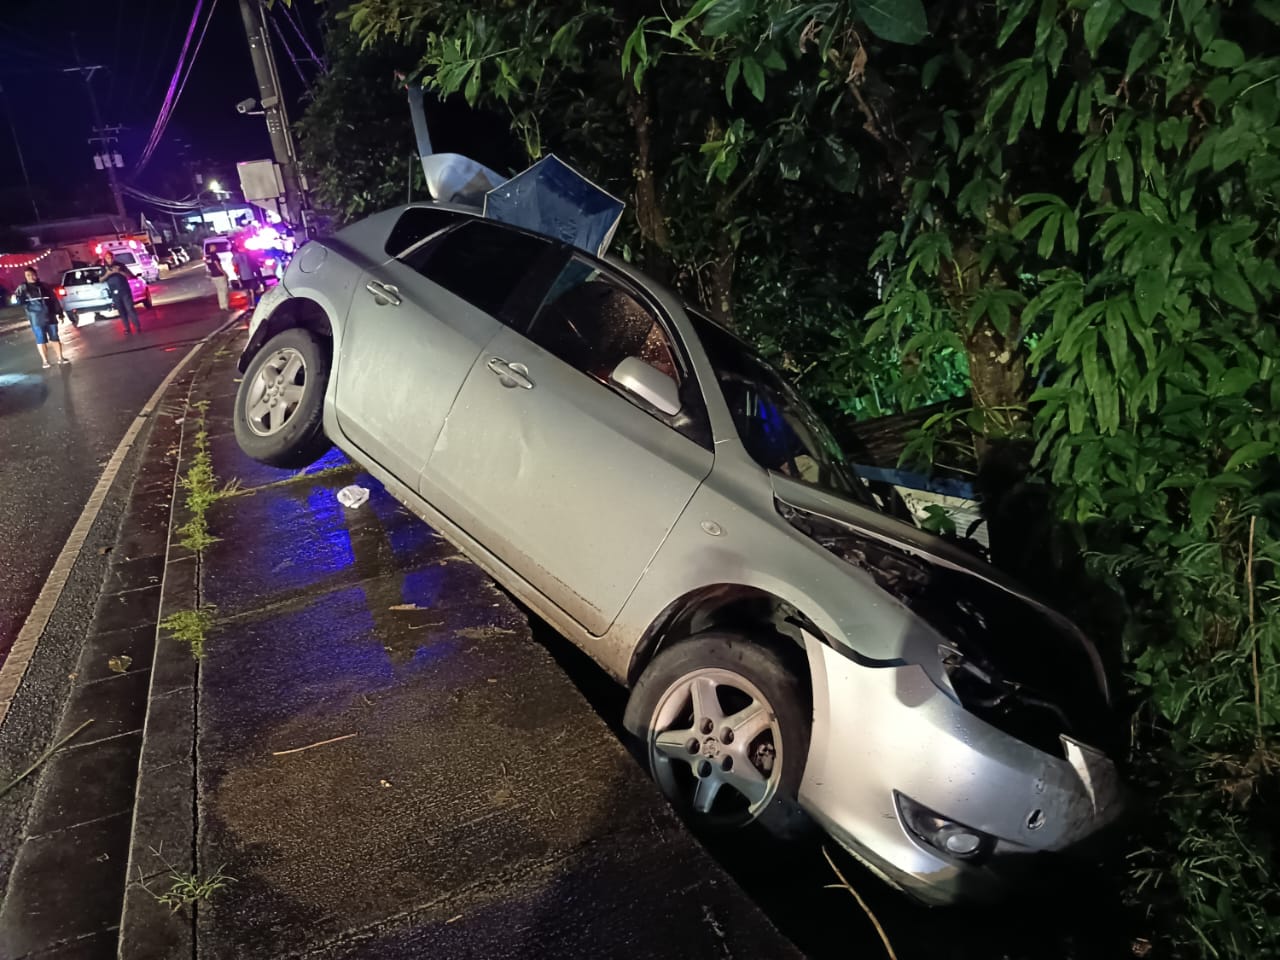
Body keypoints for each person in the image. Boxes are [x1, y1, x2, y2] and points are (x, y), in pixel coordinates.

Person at [12, 267, 69, 368]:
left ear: (36, 274)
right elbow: (18, 301)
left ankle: (60, 358)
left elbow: (54, 300)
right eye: (28, 276)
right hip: (36, 318)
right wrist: (15, 298)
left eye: (32, 274)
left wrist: (59, 313)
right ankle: (45, 361)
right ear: (25, 277)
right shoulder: (23, 288)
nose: (31, 277)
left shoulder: (45, 286)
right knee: (41, 339)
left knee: (55, 337)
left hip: (50, 316)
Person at [104, 260, 141, 334]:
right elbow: (100, 279)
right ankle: (127, 328)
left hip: (125, 291)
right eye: (107, 257)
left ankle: (137, 326)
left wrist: (119, 271)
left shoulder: (120, 265)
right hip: (115, 293)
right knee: (121, 311)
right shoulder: (104, 268)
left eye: (110, 257)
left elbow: (129, 275)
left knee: (129, 309)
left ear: (113, 257)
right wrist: (108, 274)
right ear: (105, 259)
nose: (109, 259)